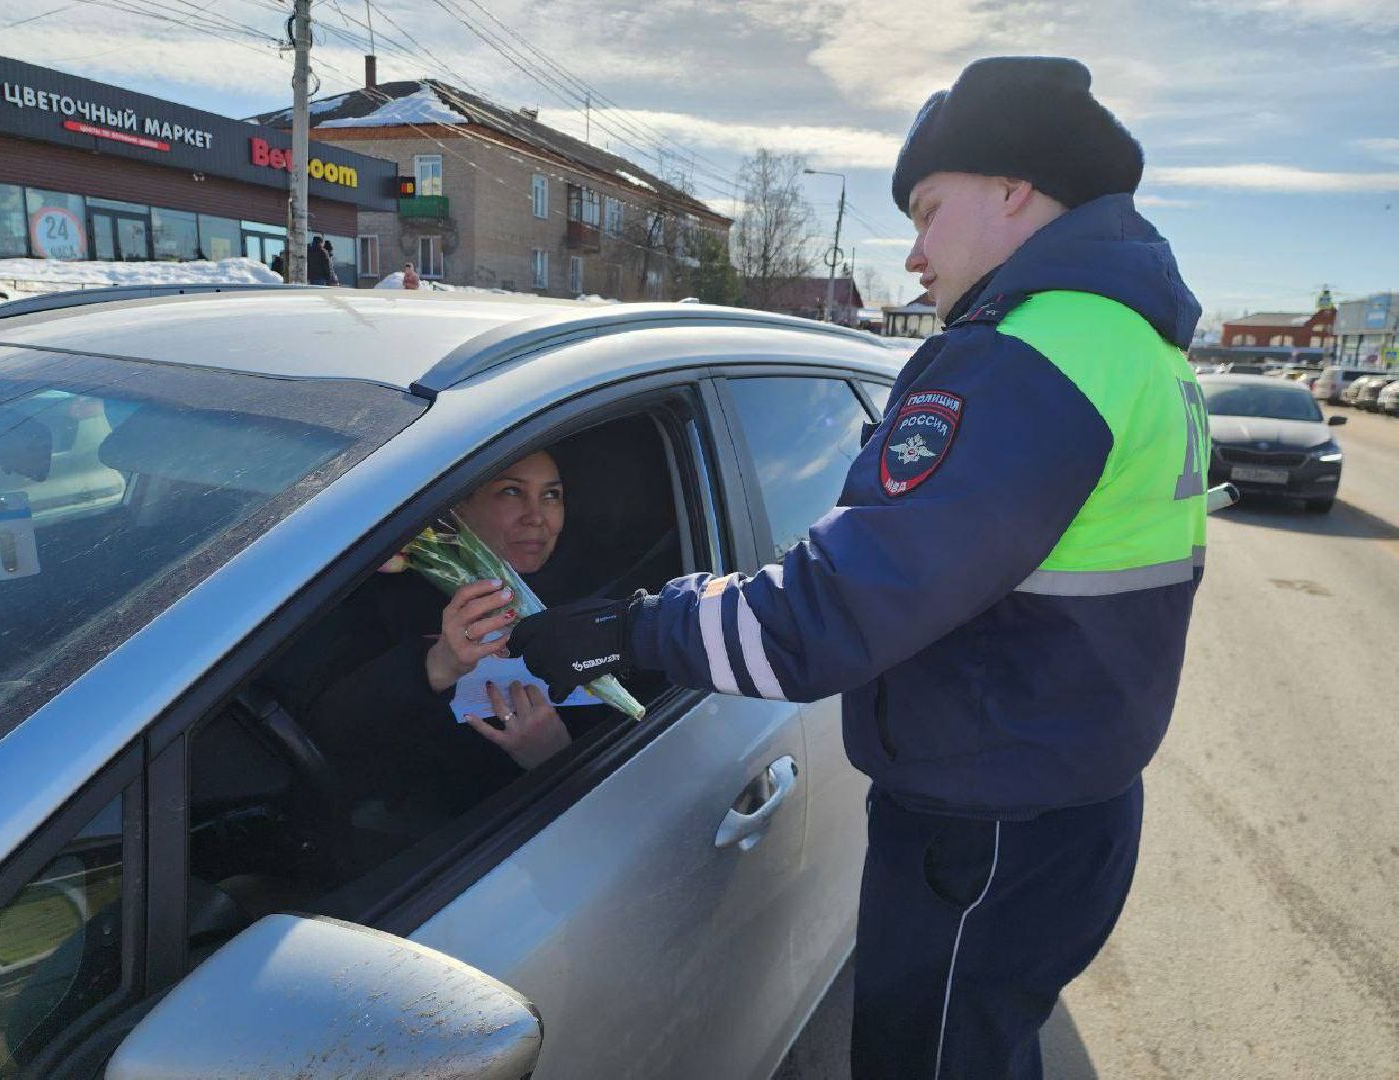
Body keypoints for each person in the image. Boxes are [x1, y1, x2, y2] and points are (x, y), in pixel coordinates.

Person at [509, 56, 1208, 1079]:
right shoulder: (1136, 346)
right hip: (1066, 799)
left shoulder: (1027, 354)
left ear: (1014, 187)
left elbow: (829, 613)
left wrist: (630, 626)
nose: (915, 253)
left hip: (986, 828)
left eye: (926, 211)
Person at [259, 449, 590, 823]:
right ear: (458, 507)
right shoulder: (386, 596)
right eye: (511, 492)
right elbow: (326, 739)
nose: (536, 517)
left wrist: (555, 755)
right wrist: (435, 665)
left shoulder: (591, 594)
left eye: (551, 495)